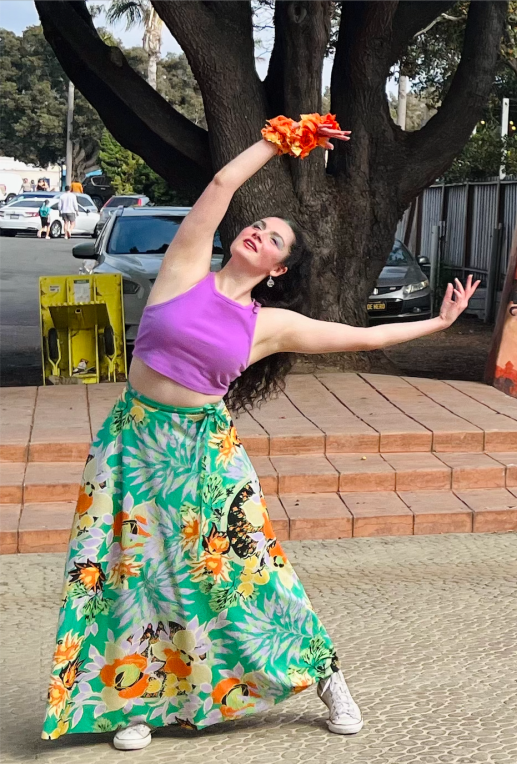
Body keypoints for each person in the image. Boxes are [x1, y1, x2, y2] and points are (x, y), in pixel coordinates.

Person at [41, 113, 480, 751]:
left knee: (248, 572)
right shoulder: (184, 270)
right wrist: (278, 142)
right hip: (133, 443)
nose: (259, 232)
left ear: (278, 268)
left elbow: (363, 337)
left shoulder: (266, 325)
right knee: (134, 573)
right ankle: (134, 704)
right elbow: (221, 184)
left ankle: (326, 676)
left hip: (204, 452)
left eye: (274, 237)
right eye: (258, 225)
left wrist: (437, 325)